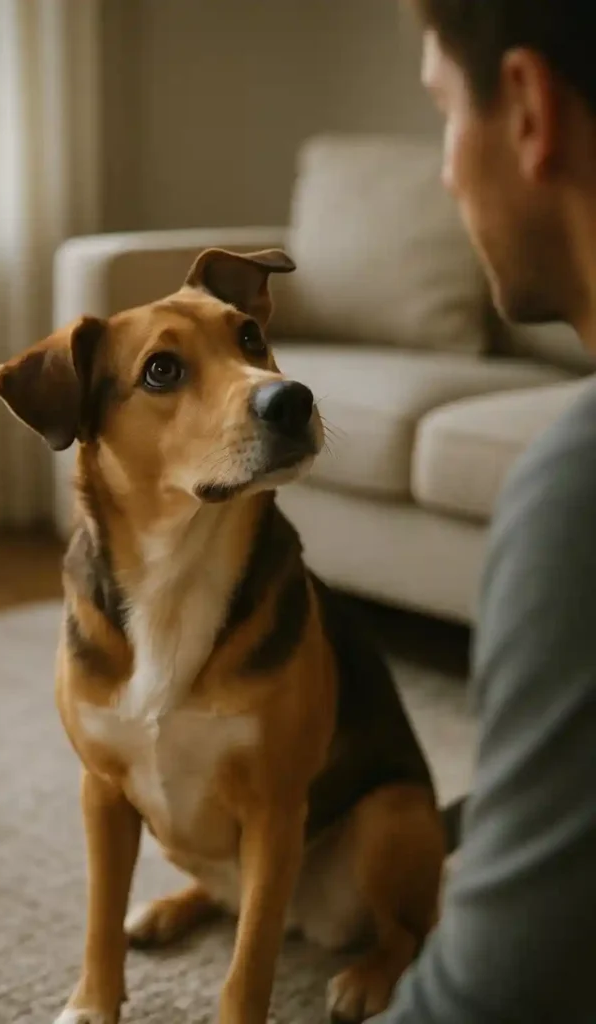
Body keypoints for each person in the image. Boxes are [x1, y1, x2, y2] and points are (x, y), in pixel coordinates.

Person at [372, 2, 596, 1021]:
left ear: (525, 109)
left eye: (439, 111)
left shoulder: (575, 494)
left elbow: (493, 1001)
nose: (443, 170)